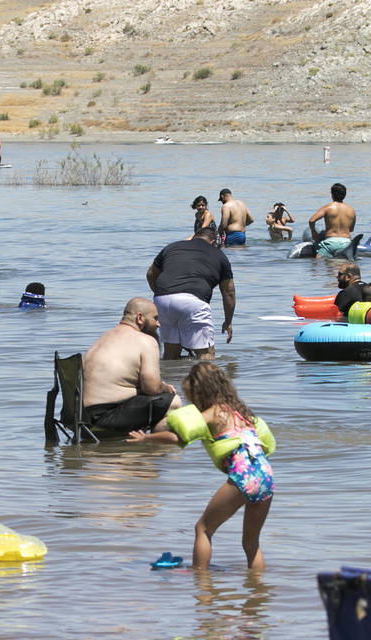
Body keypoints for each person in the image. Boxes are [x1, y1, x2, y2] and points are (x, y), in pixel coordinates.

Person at [128, 361, 273, 571]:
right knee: (251, 544)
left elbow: (178, 437)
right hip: (266, 476)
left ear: (201, 392)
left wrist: (146, 439)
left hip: (244, 476)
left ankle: (202, 585)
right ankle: (258, 592)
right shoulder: (242, 413)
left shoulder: (214, 413)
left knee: (203, 529)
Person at [81, 297, 182, 435]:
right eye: (155, 318)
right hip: (105, 418)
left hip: (80, 417)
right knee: (173, 402)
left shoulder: (104, 337)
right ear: (140, 318)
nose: (158, 324)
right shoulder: (146, 341)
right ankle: (155, 448)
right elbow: (151, 387)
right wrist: (165, 388)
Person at [146, 225, 235, 359]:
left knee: (171, 352)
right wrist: (228, 321)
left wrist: (163, 293)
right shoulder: (219, 255)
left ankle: (170, 378)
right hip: (193, 301)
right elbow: (229, 293)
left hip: (162, 300)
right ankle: (206, 380)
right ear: (213, 242)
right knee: (205, 354)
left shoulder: (172, 247)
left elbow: (151, 274)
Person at [308, 182, 357, 258]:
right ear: (344, 195)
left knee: (318, 262)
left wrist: (314, 233)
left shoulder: (327, 207)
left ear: (332, 195)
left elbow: (311, 220)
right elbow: (351, 229)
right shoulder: (351, 210)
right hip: (346, 243)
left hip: (330, 242)